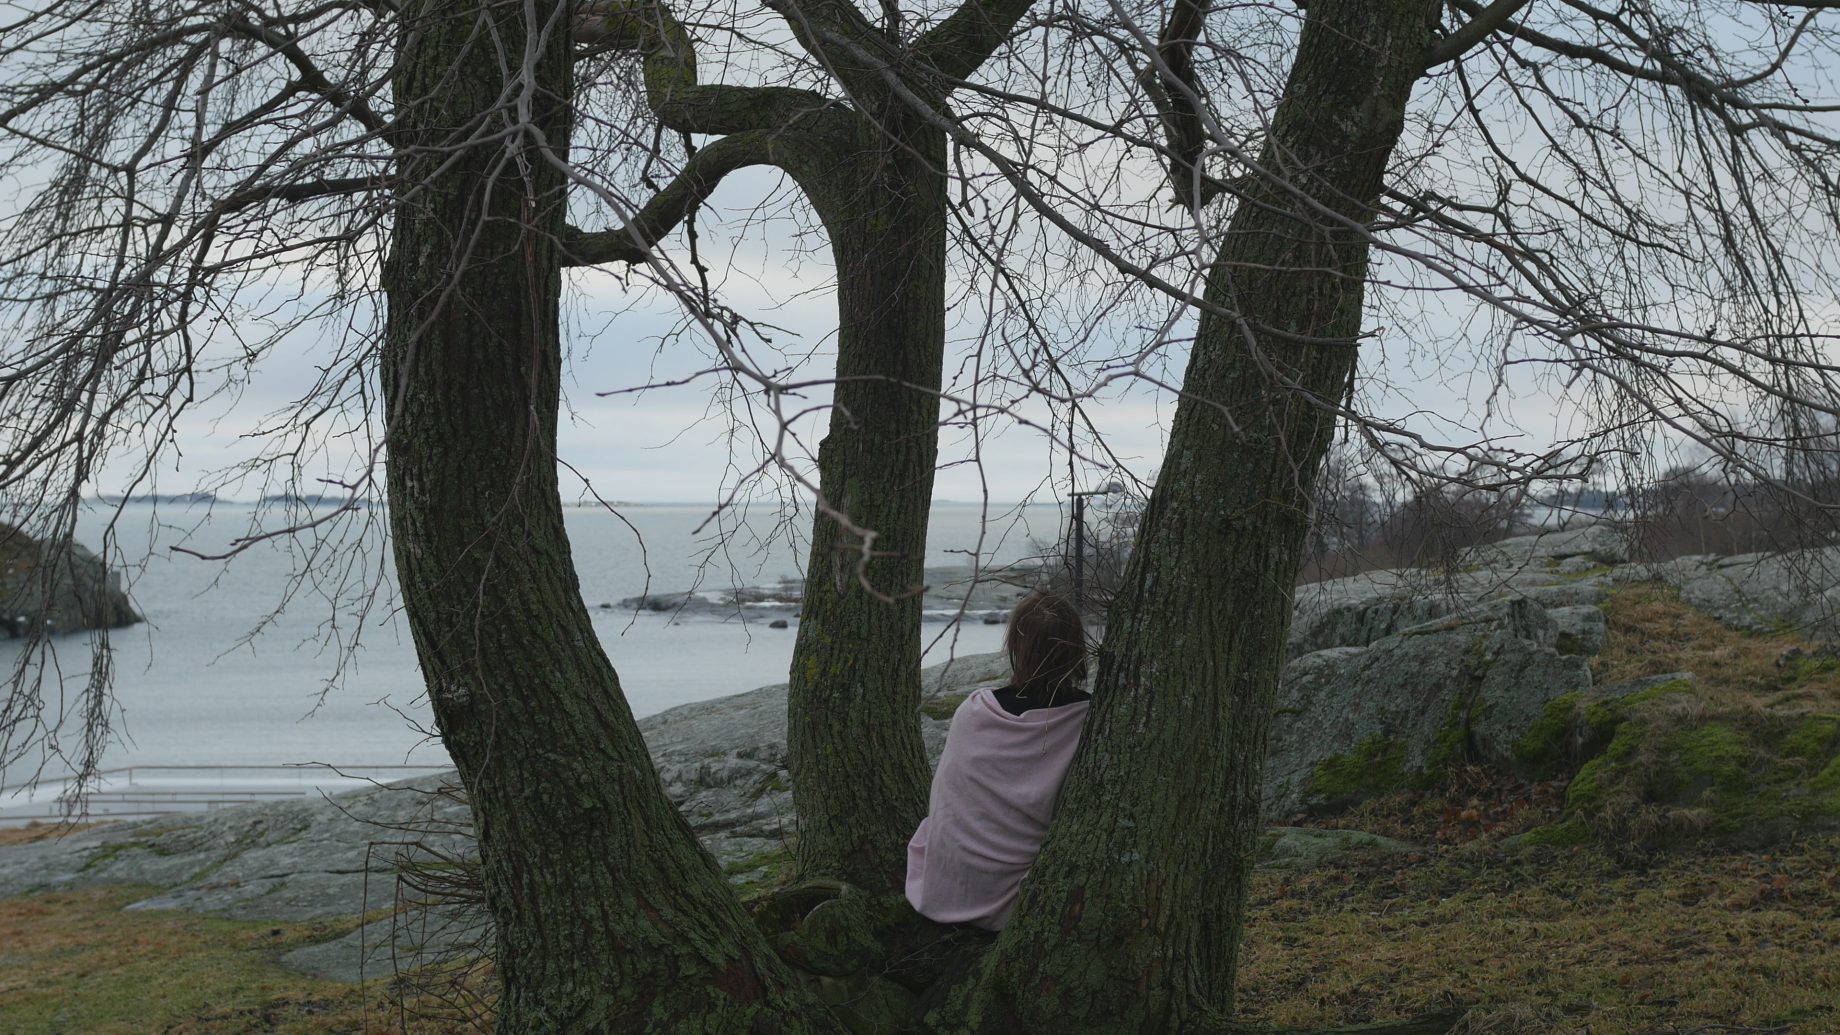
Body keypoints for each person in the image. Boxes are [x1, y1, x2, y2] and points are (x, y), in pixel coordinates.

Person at [905, 590, 1092, 931]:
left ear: (1015, 648)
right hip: (1010, 898)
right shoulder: (1088, 721)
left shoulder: (975, 710)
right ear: (1076, 649)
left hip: (945, 887)